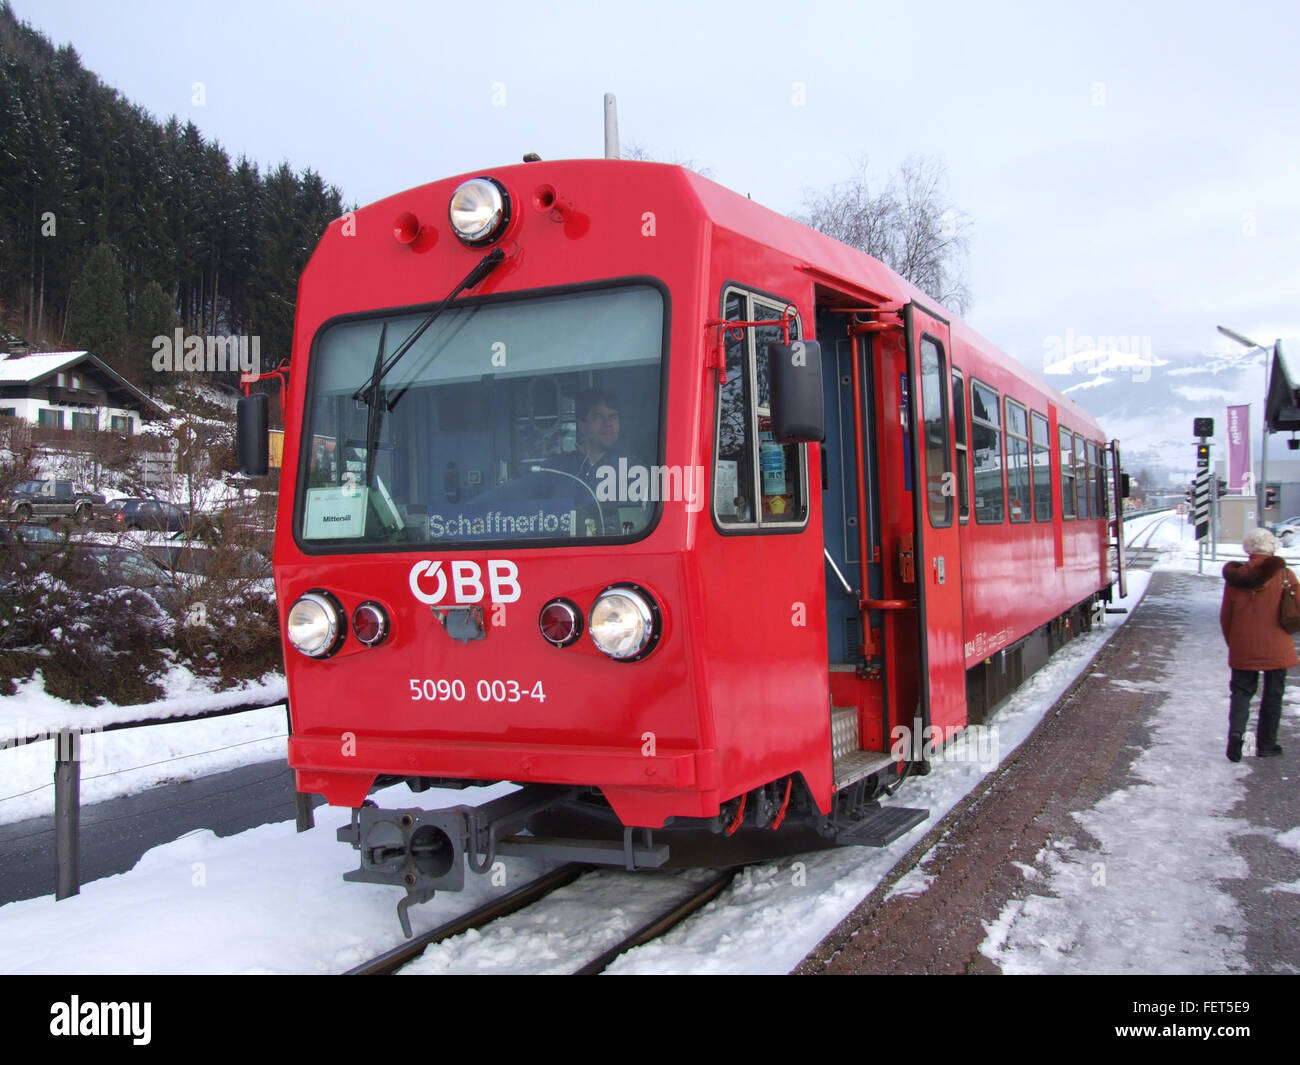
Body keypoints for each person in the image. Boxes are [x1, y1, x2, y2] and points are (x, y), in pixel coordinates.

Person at [1220, 527, 1297, 761]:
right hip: (1277, 645)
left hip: (1243, 645)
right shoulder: (1285, 575)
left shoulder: (1236, 578)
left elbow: (1226, 616)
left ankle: (1236, 734)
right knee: (1273, 695)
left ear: (1248, 548)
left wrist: (1234, 642)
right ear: (1272, 547)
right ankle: (1266, 744)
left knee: (1241, 693)